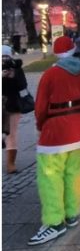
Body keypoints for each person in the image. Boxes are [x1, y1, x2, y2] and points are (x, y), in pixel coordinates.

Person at [28, 36, 80, 245]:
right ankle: (71, 213)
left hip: (55, 131)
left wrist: (41, 126)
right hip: (78, 128)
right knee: (74, 173)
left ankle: (54, 222)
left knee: (50, 177)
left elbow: (40, 106)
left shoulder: (50, 74)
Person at [3, 45, 30, 173]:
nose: (4, 60)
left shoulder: (16, 68)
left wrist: (13, 76)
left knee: (11, 134)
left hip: (12, 105)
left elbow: (23, 85)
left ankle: (10, 163)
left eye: (6, 57)